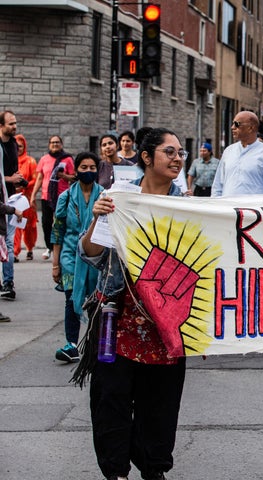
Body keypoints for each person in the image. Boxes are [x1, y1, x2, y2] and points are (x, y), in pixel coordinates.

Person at [78, 128, 188, 480]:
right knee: (111, 399)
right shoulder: (118, 199)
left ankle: (154, 469)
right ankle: (116, 472)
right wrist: (98, 217)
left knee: (160, 405)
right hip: (116, 319)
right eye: (169, 152)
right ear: (146, 157)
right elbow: (91, 255)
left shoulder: (187, 208)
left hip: (166, 325)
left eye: (180, 152)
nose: (177, 158)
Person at [51, 152, 103, 363]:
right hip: (70, 254)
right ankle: (72, 344)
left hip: (96, 255)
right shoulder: (66, 197)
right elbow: (58, 231)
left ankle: (94, 342)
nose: (88, 171)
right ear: (76, 171)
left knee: (96, 300)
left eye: (92, 168)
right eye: (84, 167)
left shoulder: (105, 196)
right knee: (71, 297)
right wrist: (56, 265)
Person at [211, 111, 263, 196]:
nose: (232, 127)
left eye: (237, 124)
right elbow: (218, 185)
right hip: (228, 207)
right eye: (233, 124)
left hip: (252, 208)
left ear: (251, 128)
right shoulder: (228, 151)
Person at [30, 135, 75, 261]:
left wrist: (63, 176)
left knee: (61, 222)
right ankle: (49, 247)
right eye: (52, 142)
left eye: (57, 142)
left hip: (62, 196)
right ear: (49, 144)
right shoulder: (44, 159)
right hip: (46, 196)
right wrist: (33, 196)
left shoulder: (67, 159)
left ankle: (62, 247)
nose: (55, 144)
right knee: (46, 223)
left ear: (61, 144)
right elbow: (39, 178)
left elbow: (73, 177)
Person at [0, 110, 28, 300]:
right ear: (1, 126)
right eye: (11, 124)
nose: (14, 126)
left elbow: (12, 170)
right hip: (2, 201)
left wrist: (18, 181)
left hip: (9, 199)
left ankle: (8, 283)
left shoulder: (12, 144)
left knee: (8, 242)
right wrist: (9, 178)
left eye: (15, 123)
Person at [13, 134, 38, 261]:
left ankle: (29, 248)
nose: (18, 149)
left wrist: (25, 185)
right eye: (16, 146)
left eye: (20, 146)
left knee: (29, 226)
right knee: (16, 224)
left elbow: (35, 179)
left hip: (27, 198)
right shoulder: (10, 160)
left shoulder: (30, 161)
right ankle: (15, 252)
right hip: (14, 198)